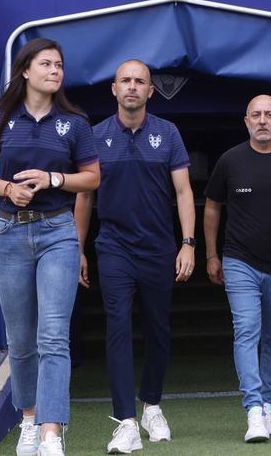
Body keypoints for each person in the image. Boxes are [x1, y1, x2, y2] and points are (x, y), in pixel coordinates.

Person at [0, 38, 101, 456]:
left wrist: (53, 180)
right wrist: (9, 188)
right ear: (25, 70)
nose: (55, 71)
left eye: (60, 65)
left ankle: (50, 432)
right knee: (22, 339)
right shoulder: (0, 117)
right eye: (46, 63)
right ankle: (28, 420)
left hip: (58, 232)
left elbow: (92, 178)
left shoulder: (75, 123)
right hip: (9, 233)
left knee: (52, 337)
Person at [74, 59, 196, 455]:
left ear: (150, 91)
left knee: (159, 330)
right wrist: (78, 249)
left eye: (139, 81)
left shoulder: (168, 133)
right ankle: (125, 421)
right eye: (125, 80)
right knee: (118, 327)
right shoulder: (94, 136)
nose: (131, 86)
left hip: (160, 248)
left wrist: (189, 243)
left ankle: (152, 406)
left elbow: (183, 193)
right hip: (113, 248)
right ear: (113, 89)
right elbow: (85, 196)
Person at [203, 95, 271, 443]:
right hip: (239, 260)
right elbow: (212, 207)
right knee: (247, 330)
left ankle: (269, 406)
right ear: (246, 121)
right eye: (256, 115)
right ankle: (254, 411)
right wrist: (212, 255)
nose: (262, 120)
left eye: (269, 115)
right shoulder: (230, 161)